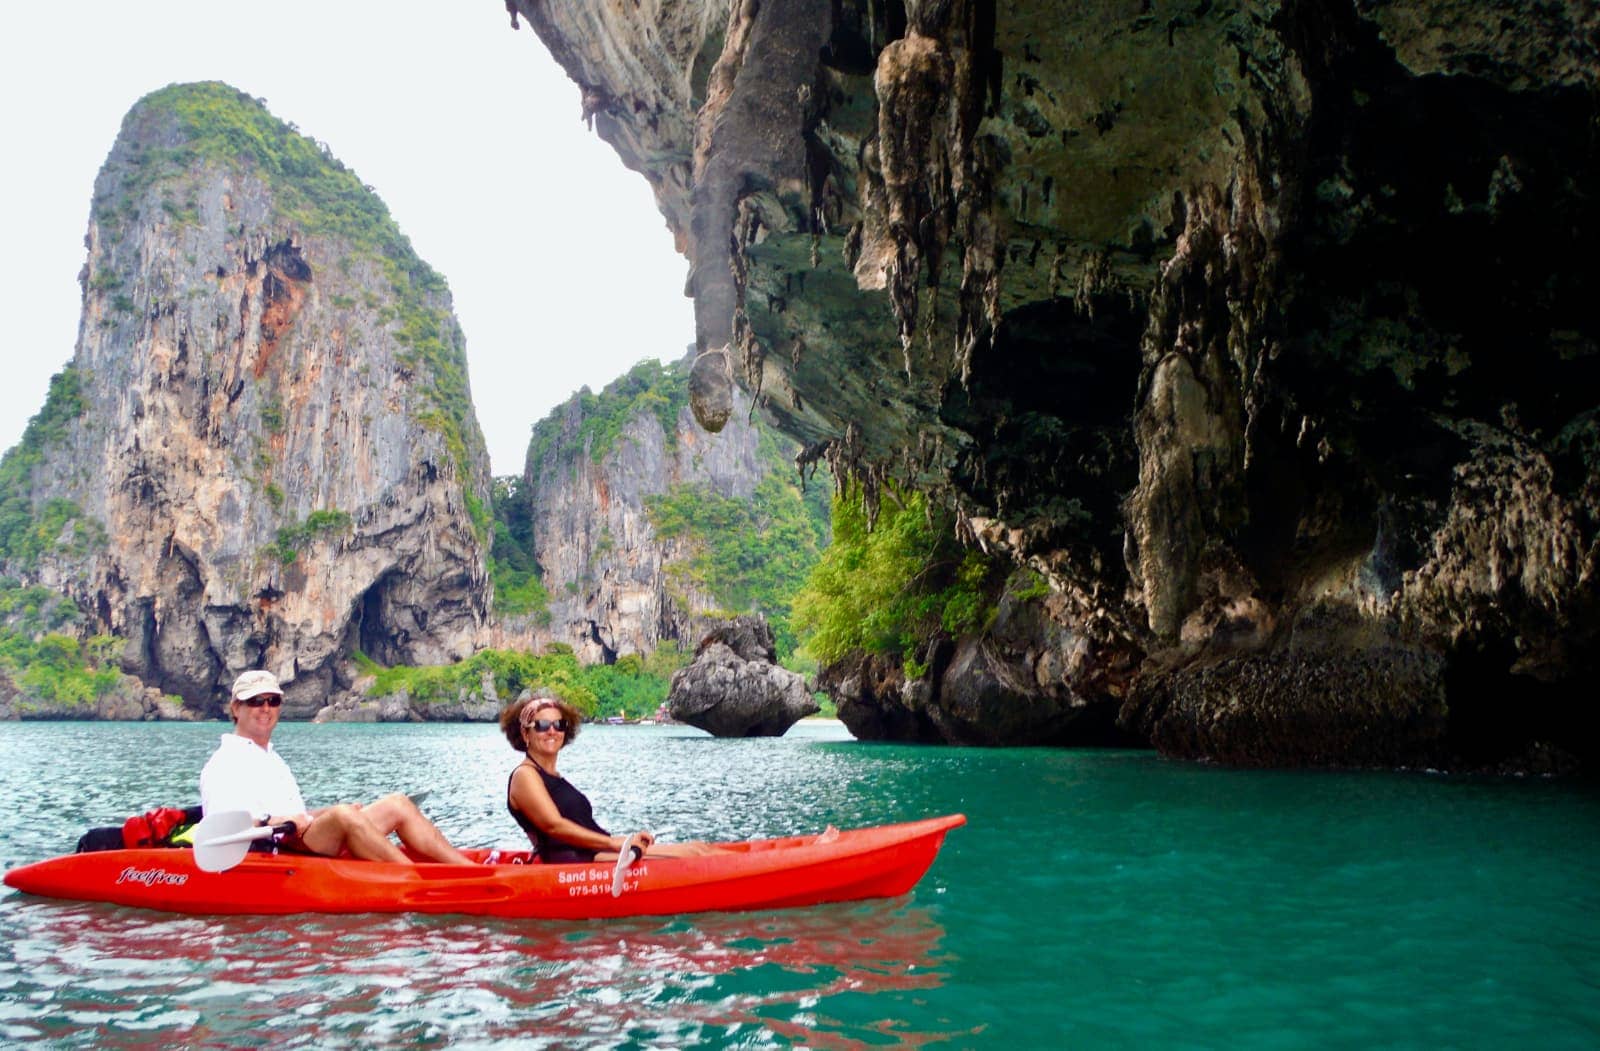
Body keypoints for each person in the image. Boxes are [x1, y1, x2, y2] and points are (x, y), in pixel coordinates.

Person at [200, 670, 472, 865]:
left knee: (397, 803)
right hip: (277, 850)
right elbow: (224, 824)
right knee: (343, 815)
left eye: (273, 701)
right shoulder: (224, 763)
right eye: (256, 701)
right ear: (236, 708)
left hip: (304, 837)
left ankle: (469, 871)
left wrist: (327, 812)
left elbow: (298, 815)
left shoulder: (270, 757)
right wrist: (275, 822)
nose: (266, 708)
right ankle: (412, 879)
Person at [501, 692, 724, 863]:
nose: (552, 731)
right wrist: (615, 844)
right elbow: (554, 826)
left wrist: (625, 841)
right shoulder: (525, 776)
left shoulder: (553, 777)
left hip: (595, 852)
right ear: (525, 734)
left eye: (559, 725)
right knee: (693, 853)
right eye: (541, 726)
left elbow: (580, 826)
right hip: (575, 861)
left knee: (701, 847)